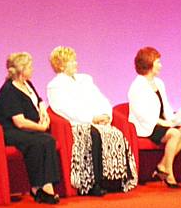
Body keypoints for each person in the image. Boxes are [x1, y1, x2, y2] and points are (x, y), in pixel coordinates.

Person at [46, 46, 137, 196]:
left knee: (115, 133)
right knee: (94, 134)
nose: (76, 63)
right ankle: (95, 183)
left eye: (75, 60)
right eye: (71, 61)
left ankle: (117, 180)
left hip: (98, 120)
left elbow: (100, 98)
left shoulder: (85, 80)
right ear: (61, 65)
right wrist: (91, 119)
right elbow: (63, 109)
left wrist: (105, 114)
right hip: (76, 123)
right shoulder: (55, 85)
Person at [0, 52, 61, 205]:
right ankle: (39, 187)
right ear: (21, 70)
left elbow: (39, 101)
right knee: (39, 141)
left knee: (48, 141)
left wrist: (43, 112)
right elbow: (20, 122)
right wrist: (41, 127)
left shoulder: (27, 84)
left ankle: (45, 186)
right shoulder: (9, 90)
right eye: (30, 67)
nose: (33, 69)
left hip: (26, 129)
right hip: (10, 131)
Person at [128, 46, 181, 188]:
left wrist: (173, 119)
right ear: (149, 63)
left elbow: (165, 106)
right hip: (147, 125)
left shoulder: (159, 83)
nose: (161, 66)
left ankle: (162, 166)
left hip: (161, 122)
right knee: (174, 134)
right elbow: (141, 114)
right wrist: (163, 123)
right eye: (158, 62)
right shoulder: (137, 86)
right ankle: (169, 174)